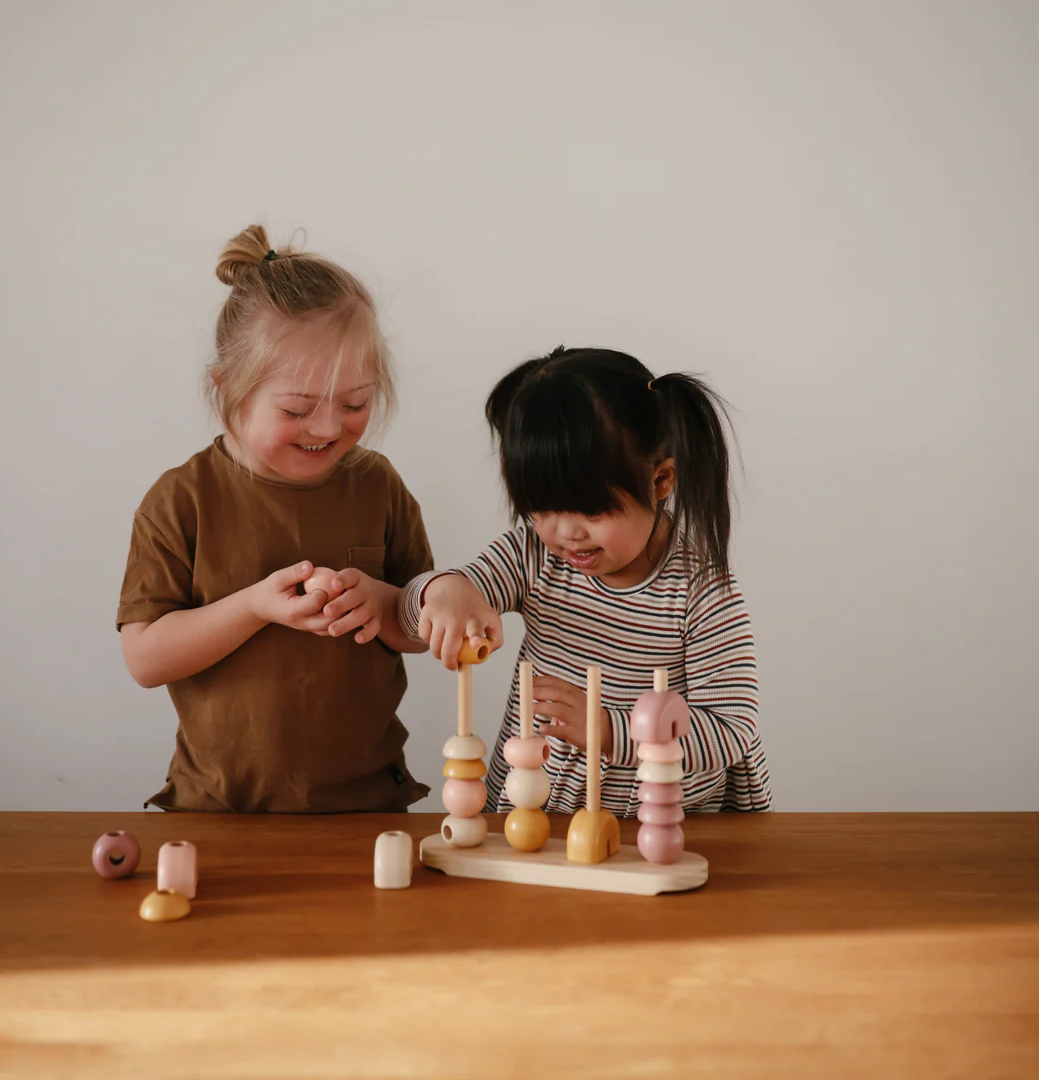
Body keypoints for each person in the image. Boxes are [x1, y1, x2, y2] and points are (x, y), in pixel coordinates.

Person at [117, 225, 431, 813]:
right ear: (226, 389)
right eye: (297, 409)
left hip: (366, 805)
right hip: (218, 807)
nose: (329, 428)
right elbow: (145, 659)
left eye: (356, 403)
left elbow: (421, 627)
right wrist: (255, 607)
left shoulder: (377, 486)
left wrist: (384, 604)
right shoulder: (181, 500)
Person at [400, 346, 771, 814]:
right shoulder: (532, 556)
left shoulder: (699, 590)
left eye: (591, 510)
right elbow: (410, 608)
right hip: (541, 821)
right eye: (543, 508)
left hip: (665, 829)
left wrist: (610, 730)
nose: (566, 533)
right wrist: (442, 590)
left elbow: (732, 730)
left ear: (660, 481)